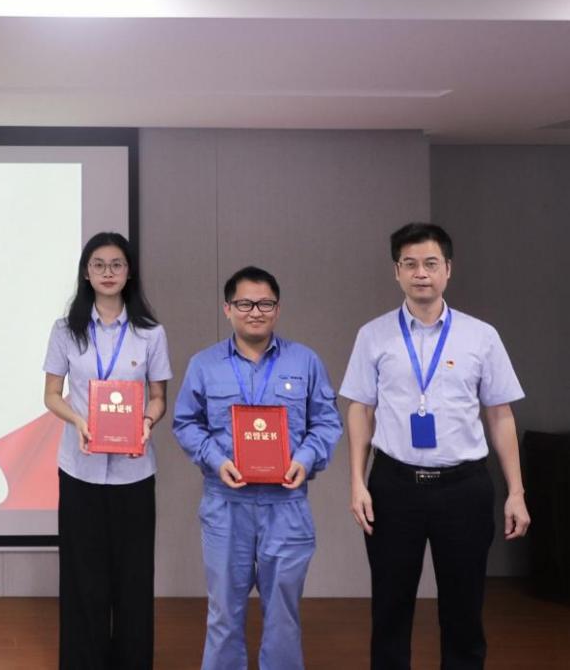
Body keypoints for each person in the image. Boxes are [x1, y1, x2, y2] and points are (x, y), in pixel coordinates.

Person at [341, 222, 530, 670]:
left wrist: (516, 492)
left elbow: (500, 414)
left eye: (430, 263)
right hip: (393, 485)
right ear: (397, 272)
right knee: (390, 608)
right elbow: (359, 409)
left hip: (463, 488)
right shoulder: (373, 335)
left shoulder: (481, 336)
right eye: (410, 264)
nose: (420, 273)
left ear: (448, 269)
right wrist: (357, 482)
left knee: (464, 611)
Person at [172, 266, 342, 670]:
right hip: (225, 504)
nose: (255, 312)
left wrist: (305, 459)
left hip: (286, 505)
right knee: (223, 613)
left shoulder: (305, 361)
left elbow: (326, 421)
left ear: (277, 309)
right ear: (228, 308)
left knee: (283, 614)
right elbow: (185, 422)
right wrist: (216, 460)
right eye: (245, 304)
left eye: (265, 304)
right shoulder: (204, 364)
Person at [43, 231, 171, 670]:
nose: (108, 272)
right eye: (98, 264)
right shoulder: (66, 331)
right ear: (86, 273)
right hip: (80, 469)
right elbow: (51, 395)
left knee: (133, 577)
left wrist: (146, 422)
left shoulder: (150, 333)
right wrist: (78, 420)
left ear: (129, 272)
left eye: (117, 264)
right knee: (83, 577)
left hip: (134, 473)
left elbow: (159, 397)